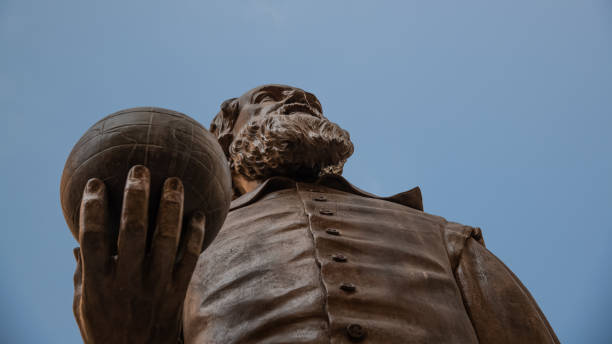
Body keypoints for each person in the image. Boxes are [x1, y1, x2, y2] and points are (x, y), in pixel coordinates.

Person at [73, 84, 559, 343]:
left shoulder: (441, 234)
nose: (298, 99)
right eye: (267, 97)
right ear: (222, 135)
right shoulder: (183, 246)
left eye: (307, 100)